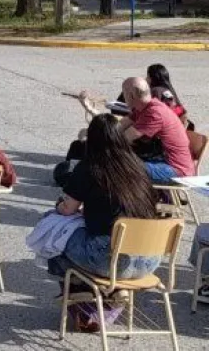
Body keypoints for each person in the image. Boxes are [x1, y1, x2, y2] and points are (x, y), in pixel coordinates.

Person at [48, 114, 161, 289]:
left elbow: (67, 209)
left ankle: (85, 299)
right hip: (148, 259)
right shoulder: (138, 165)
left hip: (110, 261)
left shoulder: (90, 166)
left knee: (53, 231)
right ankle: (106, 296)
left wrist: (59, 206)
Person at [118, 77, 194, 182]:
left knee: (118, 169)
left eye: (124, 93)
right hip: (163, 161)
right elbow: (119, 126)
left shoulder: (154, 113)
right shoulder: (144, 107)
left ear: (131, 95)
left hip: (176, 170)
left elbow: (124, 138)